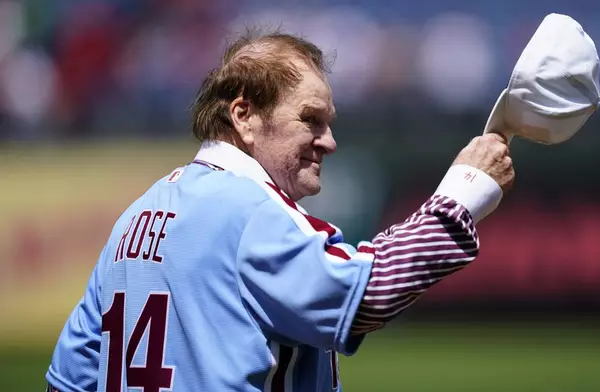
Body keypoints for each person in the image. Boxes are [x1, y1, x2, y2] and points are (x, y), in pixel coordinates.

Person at [46, 30, 514, 392]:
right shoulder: (248, 208)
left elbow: (69, 378)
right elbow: (367, 294)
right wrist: (462, 194)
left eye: (329, 123)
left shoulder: (139, 213)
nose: (330, 141)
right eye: (311, 119)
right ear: (244, 116)